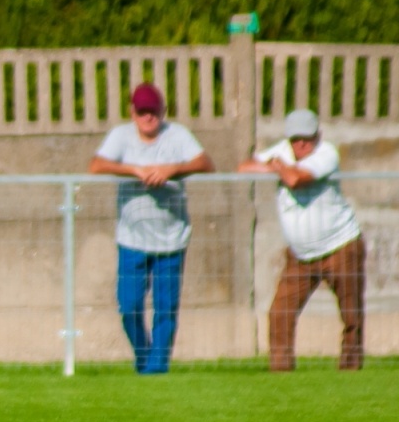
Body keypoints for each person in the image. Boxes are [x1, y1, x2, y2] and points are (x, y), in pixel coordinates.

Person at [88, 83, 215, 374]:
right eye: (142, 112)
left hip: (172, 239)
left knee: (166, 308)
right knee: (128, 305)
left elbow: (206, 163)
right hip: (132, 239)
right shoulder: (120, 136)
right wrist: (136, 170)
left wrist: (171, 169)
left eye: (153, 111)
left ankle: (156, 369)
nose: (148, 118)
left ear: (163, 111)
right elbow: (96, 165)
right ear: (132, 112)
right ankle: (144, 356)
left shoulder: (178, 134)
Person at [237, 109, 364, 371]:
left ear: (318, 136)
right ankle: (282, 375)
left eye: (307, 138)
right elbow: (243, 167)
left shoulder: (326, 153)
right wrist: (276, 166)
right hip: (300, 253)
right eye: (296, 139)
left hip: (340, 246)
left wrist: (277, 166)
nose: (302, 144)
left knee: (351, 315)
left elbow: (295, 179)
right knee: (280, 313)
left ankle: (351, 372)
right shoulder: (281, 151)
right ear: (289, 139)